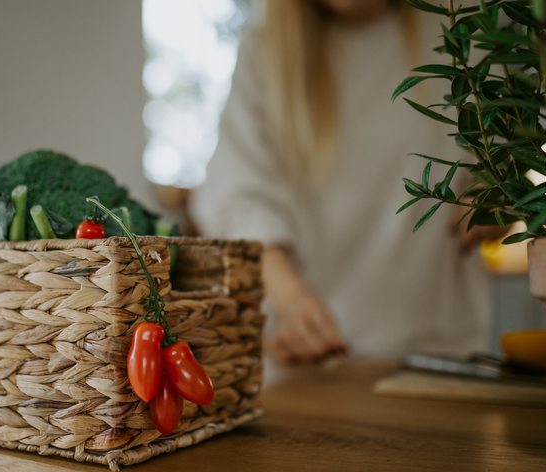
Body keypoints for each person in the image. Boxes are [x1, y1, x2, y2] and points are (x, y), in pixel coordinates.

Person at [189, 0, 500, 367]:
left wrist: (495, 195)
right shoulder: (264, 54)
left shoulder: (462, 30)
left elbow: (503, 159)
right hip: (312, 362)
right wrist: (294, 303)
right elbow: (237, 200)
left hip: (442, 356)